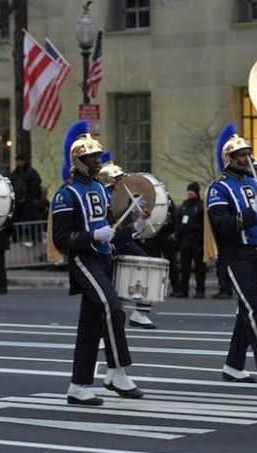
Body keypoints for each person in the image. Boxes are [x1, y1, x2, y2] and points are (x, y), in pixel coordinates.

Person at [52, 121, 146, 406]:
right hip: (84, 259)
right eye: (91, 157)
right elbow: (61, 239)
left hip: (104, 257)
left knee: (90, 325)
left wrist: (135, 227)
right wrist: (92, 236)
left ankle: (78, 386)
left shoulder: (101, 190)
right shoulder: (66, 193)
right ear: (78, 161)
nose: (97, 161)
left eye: (98, 156)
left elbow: (112, 229)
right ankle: (117, 372)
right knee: (113, 307)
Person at [206, 125, 257, 389]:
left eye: (248, 154)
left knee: (248, 311)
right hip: (236, 255)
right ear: (230, 159)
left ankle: (234, 365)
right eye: (241, 155)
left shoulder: (252, 183)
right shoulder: (219, 188)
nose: (247, 159)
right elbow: (223, 225)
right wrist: (251, 211)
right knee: (255, 311)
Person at [97, 157, 156, 329]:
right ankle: (107, 326)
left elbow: (127, 230)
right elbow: (111, 231)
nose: (123, 181)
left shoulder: (125, 198)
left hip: (123, 242)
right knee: (113, 286)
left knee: (148, 266)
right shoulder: (105, 199)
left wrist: (140, 221)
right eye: (118, 179)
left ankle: (140, 312)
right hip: (110, 246)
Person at [176, 182, 206, 298]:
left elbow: (204, 223)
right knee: (184, 267)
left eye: (192, 191)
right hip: (186, 241)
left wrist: (194, 228)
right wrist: (178, 234)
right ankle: (183, 290)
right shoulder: (185, 205)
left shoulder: (201, 205)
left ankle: (200, 290)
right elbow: (179, 219)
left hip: (198, 241)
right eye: (189, 191)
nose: (190, 193)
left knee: (199, 268)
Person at [9, 154, 43, 224]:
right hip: (17, 201)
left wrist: (29, 192)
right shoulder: (14, 174)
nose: (19, 163)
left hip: (28, 201)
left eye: (21, 161)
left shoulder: (31, 172)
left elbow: (37, 182)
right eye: (18, 161)